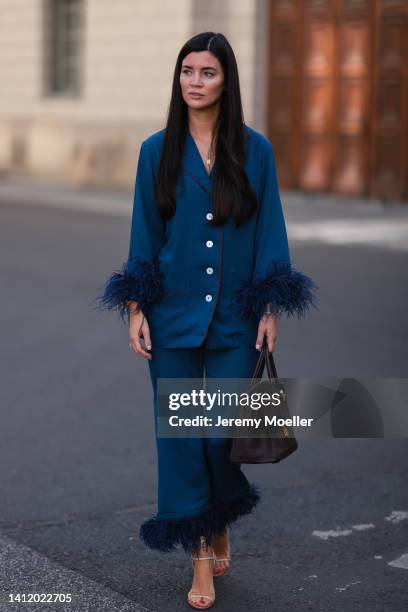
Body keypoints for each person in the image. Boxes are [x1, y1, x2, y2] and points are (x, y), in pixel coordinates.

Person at [95, 31, 318, 610]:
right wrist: (136, 308)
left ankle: (221, 514)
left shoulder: (255, 150)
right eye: (187, 71)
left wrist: (271, 307)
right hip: (170, 315)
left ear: (227, 81)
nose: (194, 82)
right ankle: (199, 555)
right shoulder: (156, 150)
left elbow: (271, 228)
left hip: (236, 318)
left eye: (207, 73)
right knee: (180, 439)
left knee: (219, 436)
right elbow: (144, 231)